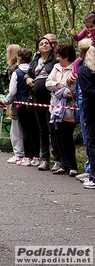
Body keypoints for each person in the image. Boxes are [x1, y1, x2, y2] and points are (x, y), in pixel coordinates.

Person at [1, 48, 39, 166]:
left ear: (19, 58)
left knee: (25, 130)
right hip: (34, 103)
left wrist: (5, 101)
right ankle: (35, 156)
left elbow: (12, 92)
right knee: (35, 131)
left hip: (21, 104)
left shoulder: (16, 73)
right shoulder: (34, 71)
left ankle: (26, 157)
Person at [25, 36, 58, 171]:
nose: (44, 45)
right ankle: (45, 158)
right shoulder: (35, 60)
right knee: (42, 129)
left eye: (47, 43)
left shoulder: (55, 59)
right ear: (38, 47)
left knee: (52, 128)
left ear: (51, 46)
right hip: (37, 98)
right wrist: (27, 78)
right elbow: (27, 72)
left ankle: (58, 158)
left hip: (50, 98)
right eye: (41, 44)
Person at [45, 44, 78, 177]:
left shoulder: (74, 69)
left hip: (68, 108)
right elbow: (48, 83)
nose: (57, 58)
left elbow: (73, 90)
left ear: (66, 56)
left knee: (67, 136)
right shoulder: (56, 67)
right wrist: (58, 85)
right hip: (55, 107)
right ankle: (63, 164)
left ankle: (72, 165)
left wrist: (61, 89)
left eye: (59, 56)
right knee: (57, 135)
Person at [69, 39, 93, 182]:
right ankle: (89, 167)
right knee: (87, 140)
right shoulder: (79, 63)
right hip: (82, 105)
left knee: (90, 139)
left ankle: (91, 170)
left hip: (88, 107)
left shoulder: (86, 68)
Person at [2, 44, 25, 164]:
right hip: (26, 103)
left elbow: (12, 91)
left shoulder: (14, 70)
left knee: (16, 130)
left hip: (17, 102)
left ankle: (19, 153)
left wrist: (6, 101)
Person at [78, 45, 95, 188]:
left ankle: (94, 177)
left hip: (91, 111)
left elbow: (88, 91)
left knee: (92, 143)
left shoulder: (84, 71)